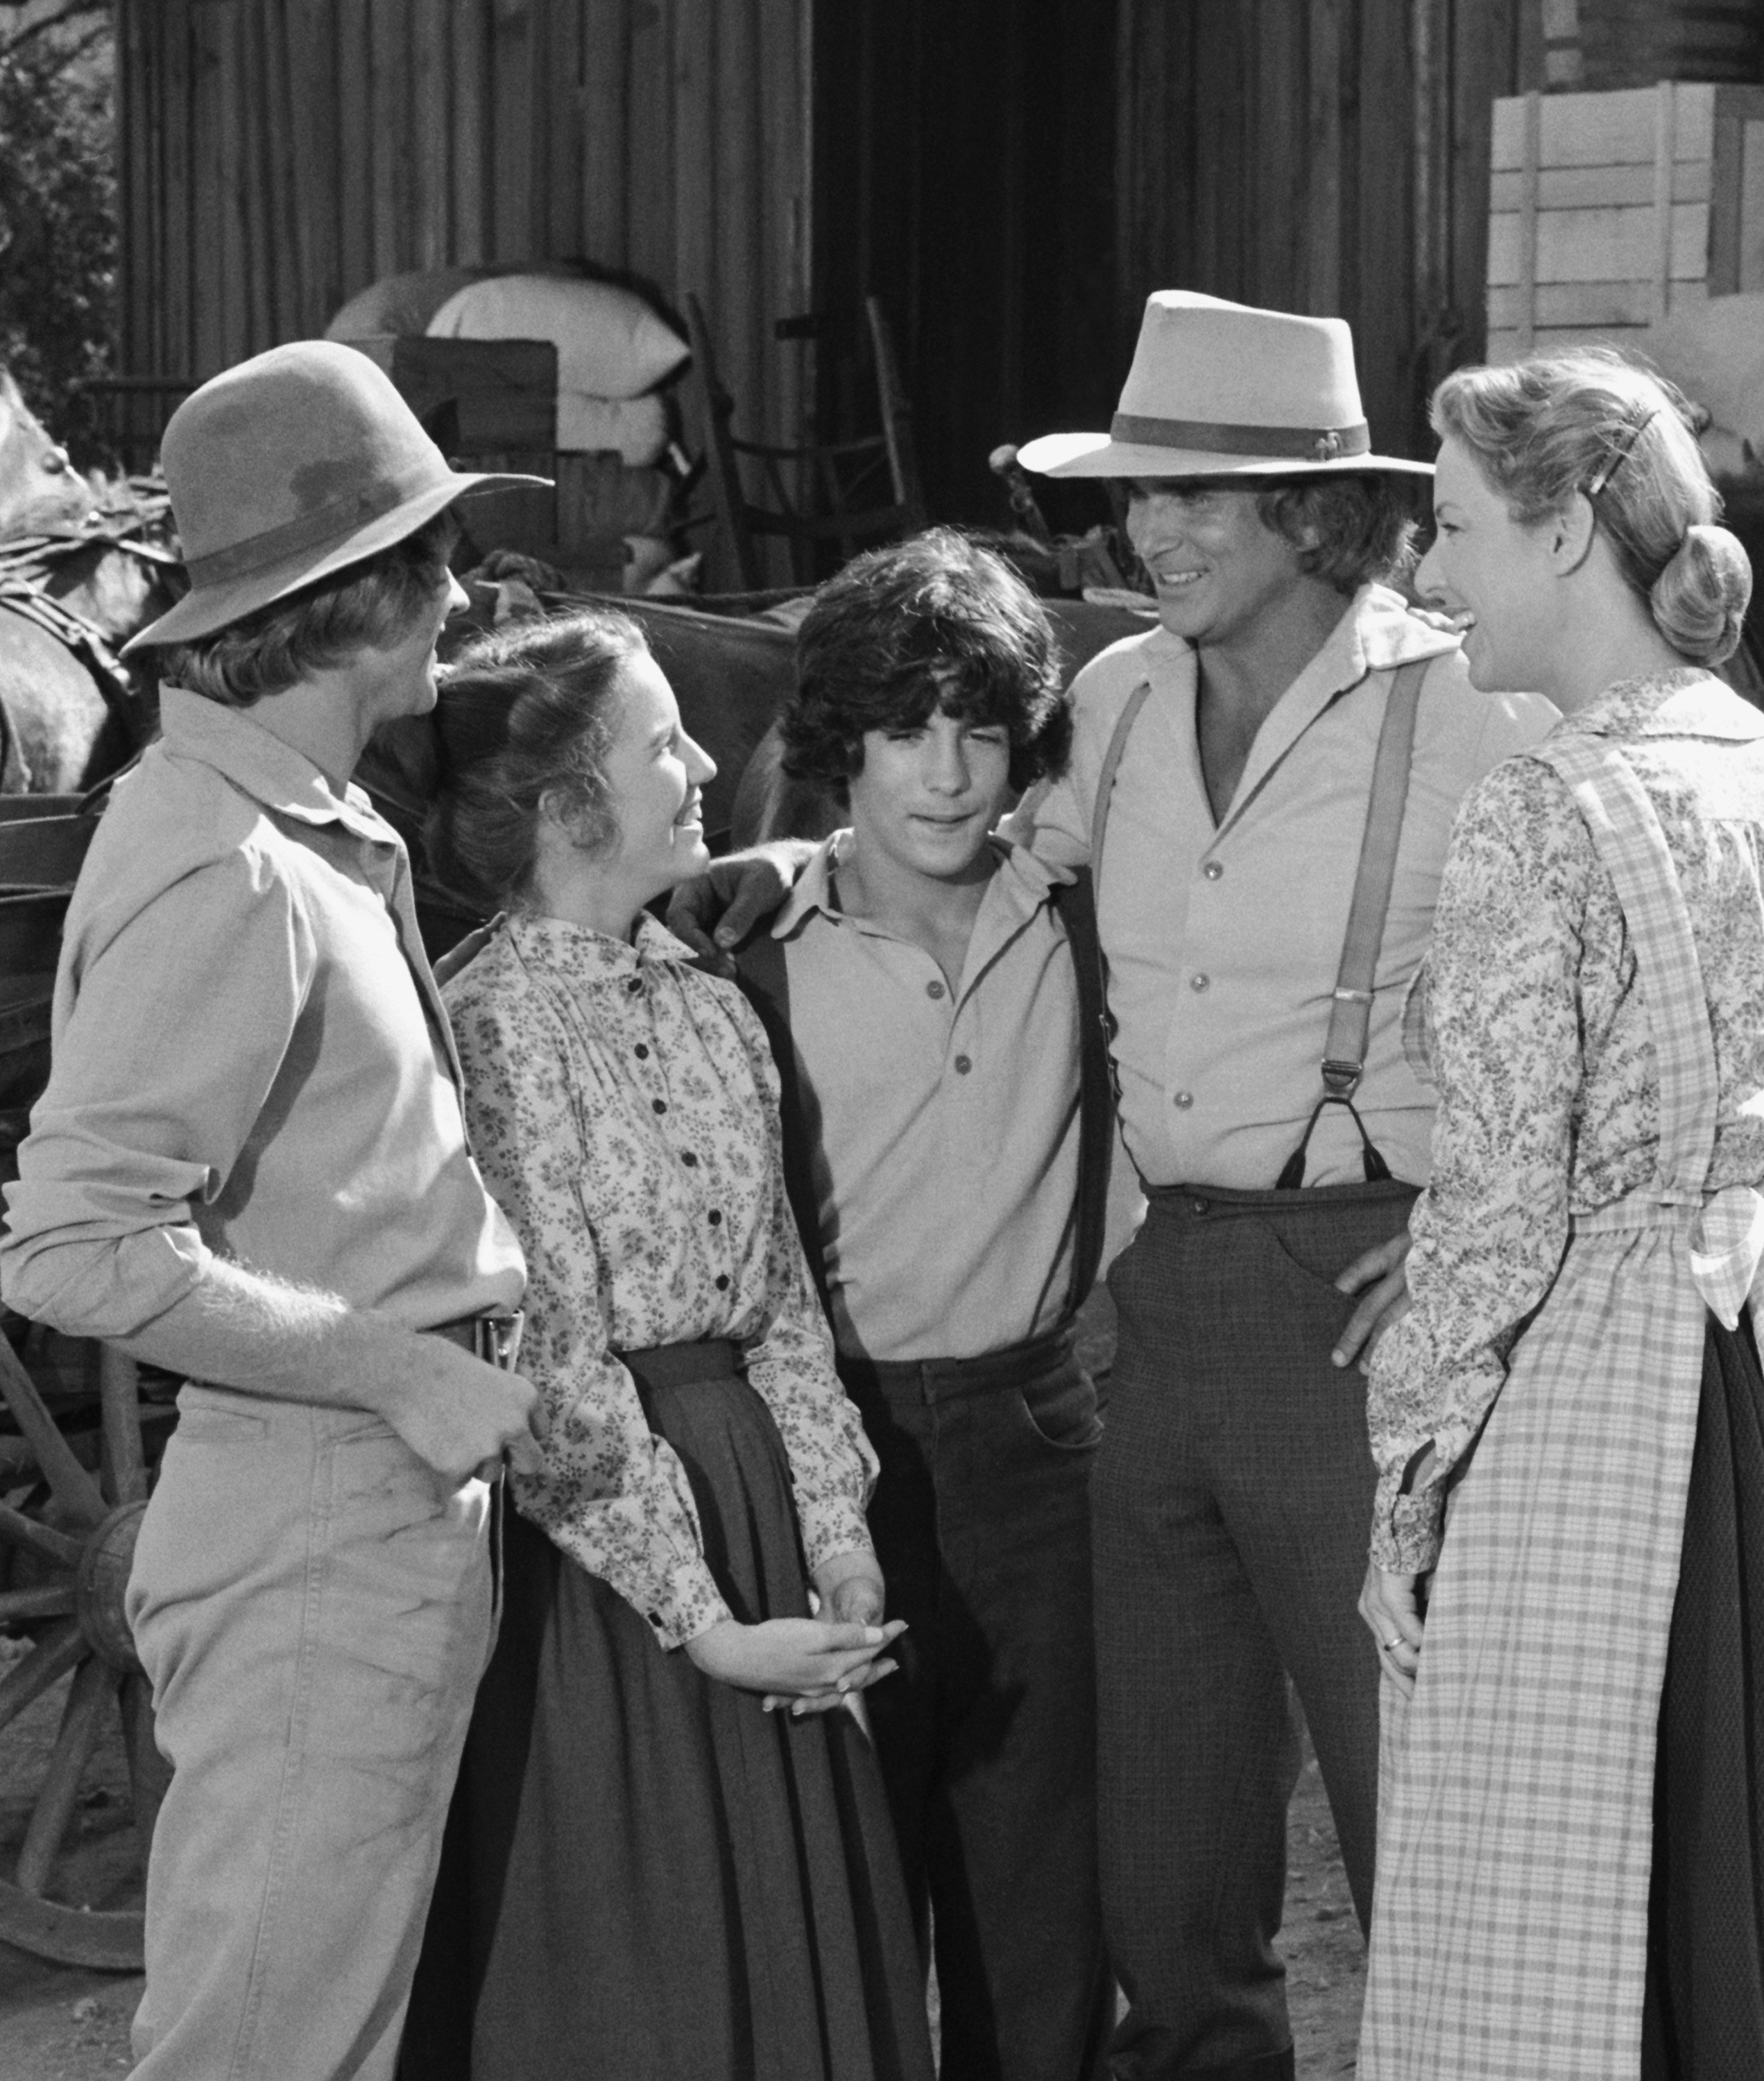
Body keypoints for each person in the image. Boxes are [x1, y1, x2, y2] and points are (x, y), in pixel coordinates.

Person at [671, 291, 1557, 2081]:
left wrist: (1488, 1213)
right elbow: (958, 852)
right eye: (1134, 495)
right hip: (1150, 1335)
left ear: (1313, 511)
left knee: (1425, 1815)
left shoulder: (1468, 709)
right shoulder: (1115, 702)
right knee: (1169, 1861)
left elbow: (1625, 953)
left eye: (1192, 499)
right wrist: (770, 862)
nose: (1143, 533)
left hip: (1365, 1303)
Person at [0, 340, 549, 2080]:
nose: (461, 593)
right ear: (357, 602)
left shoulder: (301, 828)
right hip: (321, 1512)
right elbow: (73, 1240)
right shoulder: (229, 863)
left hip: (366, 1505)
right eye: (435, 559)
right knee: (264, 2051)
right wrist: (398, 1369)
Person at [1357, 350, 1764, 2081]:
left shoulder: (1540, 814)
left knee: (1548, 1916)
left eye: (1457, 528)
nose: (1426, 575)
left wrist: (1408, 1483)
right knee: (1741, 1844)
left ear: (1564, 538)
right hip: (1763, 1383)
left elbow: (1490, 1208)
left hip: (1594, 1405)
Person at [400, 608, 934, 2081]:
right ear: (572, 806)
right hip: (599, 1581)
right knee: (648, 1979)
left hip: (758, 1518)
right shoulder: (488, 1034)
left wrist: (837, 1541)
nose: (705, 760)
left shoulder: (713, 1013)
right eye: (660, 743)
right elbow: (553, 1366)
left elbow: (779, 1310)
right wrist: (705, 1626)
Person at [737, 530, 1118, 2081]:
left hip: (1040, 1443)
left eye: (980, 730)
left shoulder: (1085, 916)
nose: (950, 775)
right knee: (848, 1897)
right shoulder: (744, 949)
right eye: (906, 732)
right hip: (839, 1452)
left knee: (1043, 1909)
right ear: (843, 748)